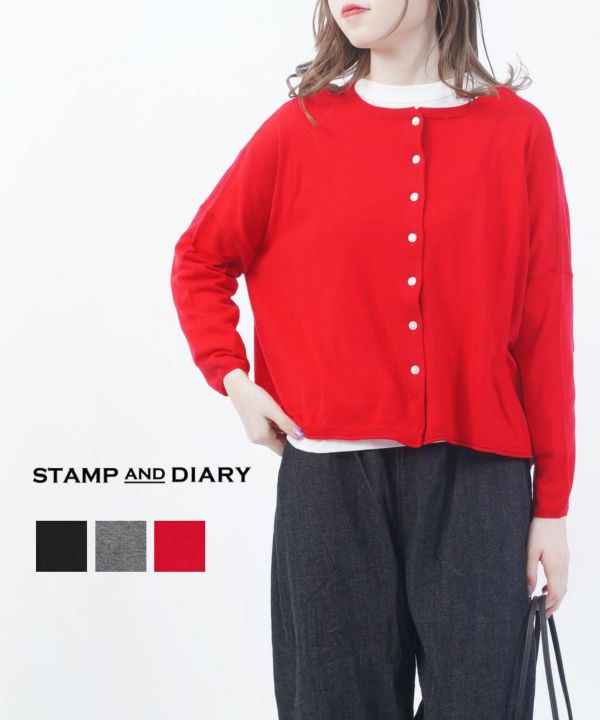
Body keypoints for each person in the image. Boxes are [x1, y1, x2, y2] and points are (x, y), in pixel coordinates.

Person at [170, 1, 575, 717]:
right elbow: (201, 258)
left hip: (480, 485)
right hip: (330, 486)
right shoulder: (297, 131)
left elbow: (546, 324)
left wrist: (552, 507)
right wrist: (233, 378)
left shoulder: (517, 133)